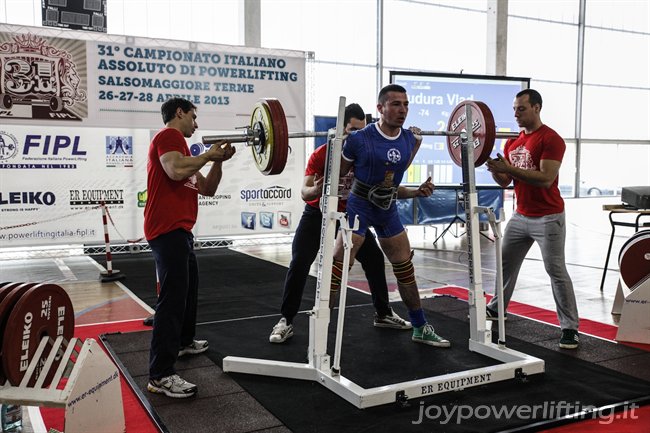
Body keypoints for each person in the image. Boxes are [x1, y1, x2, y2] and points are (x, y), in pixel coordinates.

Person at [269, 103, 435, 343]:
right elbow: (304, 193)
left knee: (375, 260)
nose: (353, 136)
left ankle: (383, 313)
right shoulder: (321, 155)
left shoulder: (366, 151)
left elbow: (387, 189)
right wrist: (316, 188)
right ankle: (286, 320)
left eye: (358, 131)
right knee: (300, 262)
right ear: (339, 129)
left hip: (349, 218)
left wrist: (416, 192)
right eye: (349, 131)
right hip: (318, 215)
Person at [330, 84, 451, 348]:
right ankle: (320, 325)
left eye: (406, 104)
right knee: (338, 266)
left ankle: (419, 326)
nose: (402, 110)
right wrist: (338, 143)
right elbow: (337, 174)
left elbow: (397, 174)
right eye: (396, 104)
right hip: (359, 205)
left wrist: (418, 190)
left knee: (405, 269)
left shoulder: (410, 139)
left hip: (387, 209)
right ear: (380, 108)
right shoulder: (359, 139)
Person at [144, 97, 236, 398]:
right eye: (193, 118)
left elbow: (207, 189)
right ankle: (160, 375)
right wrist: (209, 154)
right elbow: (174, 171)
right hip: (166, 231)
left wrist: (217, 162)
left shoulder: (184, 153)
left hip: (181, 232)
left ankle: (183, 342)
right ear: (179, 113)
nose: (196, 125)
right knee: (171, 302)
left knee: (188, 290)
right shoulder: (167, 137)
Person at [485, 88, 580, 349]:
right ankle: (496, 308)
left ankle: (570, 328)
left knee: (556, 270)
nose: (516, 113)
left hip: (548, 217)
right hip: (521, 215)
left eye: (521, 108)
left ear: (536, 107)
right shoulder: (513, 143)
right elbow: (507, 181)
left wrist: (509, 168)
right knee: (505, 263)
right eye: (514, 108)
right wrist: (496, 171)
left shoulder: (551, 139)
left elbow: (546, 178)